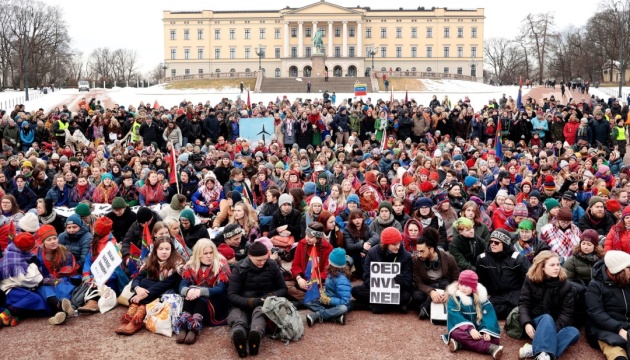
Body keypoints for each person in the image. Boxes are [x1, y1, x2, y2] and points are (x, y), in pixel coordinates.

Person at [227, 241, 288, 357]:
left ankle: (255, 335)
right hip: (243, 303)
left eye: (265, 259)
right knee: (238, 317)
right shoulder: (239, 268)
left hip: (264, 302)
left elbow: (283, 289)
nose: (262, 262)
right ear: (249, 256)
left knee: (260, 313)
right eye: (259, 260)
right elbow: (232, 295)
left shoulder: (272, 265)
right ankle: (238, 336)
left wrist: (269, 296)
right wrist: (251, 302)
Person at [115, 236, 184, 335]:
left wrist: (141, 296)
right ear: (155, 250)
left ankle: (137, 318)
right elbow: (137, 278)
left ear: (172, 250)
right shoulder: (152, 262)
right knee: (143, 282)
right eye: (161, 249)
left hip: (168, 292)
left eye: (167, 249)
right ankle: (132, 316)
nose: (164, 252)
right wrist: (137, 289)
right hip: (153, 293)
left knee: (147, 283)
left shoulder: (177, 264)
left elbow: (164, 284)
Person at [518, 251, 580, 360]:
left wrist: (551, 331)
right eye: (552, 265)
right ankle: (544, 354)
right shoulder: (530, 280)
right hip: (535, 321)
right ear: (542, 267)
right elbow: (524, 304)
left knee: (574, 332)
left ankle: (536, 350)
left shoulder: (566, 285)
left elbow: (566, 313)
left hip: (555, 323)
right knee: (546, 318)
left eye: (558, 264)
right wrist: (527, 323)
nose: (556, 268)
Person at [176, 239, 231, 344]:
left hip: (216, 301)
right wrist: (188, 292)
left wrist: (199, 291)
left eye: (211, 252)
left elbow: (221, 289)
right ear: (198, 254)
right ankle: (184, 325)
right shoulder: (190, 265)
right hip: (195, 298)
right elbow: (182, 285)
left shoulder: (221, 265)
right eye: (205, 253)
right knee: (189, 294)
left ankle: (194, 328)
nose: (209, 256)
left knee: (199, 296)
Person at [351, 227, 413, 314]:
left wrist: (401, 282)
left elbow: (408, 282)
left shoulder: (406, 256)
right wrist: (378, 288)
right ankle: (393, 306)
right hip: (376, 289)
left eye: (399, 243)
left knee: (406, 296)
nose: (398, 247)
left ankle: (368, 305)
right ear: (386, 244)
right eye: (394, 244)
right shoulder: (372, 252)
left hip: (396, 291)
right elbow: (366, 276)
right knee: (355, 291)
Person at [444, 270, 503, 359]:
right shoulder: (454, 298)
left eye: (467, 285)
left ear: (473, 287)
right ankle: (490, 348)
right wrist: (470, 329)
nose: (463, 288)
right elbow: (455, 316)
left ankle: (461, 344)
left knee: (495, 339)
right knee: (456, 333)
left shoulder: (481, 298)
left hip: (479, 329)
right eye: (461, 284)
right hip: (464, 330)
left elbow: (488, 316)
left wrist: (486, 331)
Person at [585, 250, 630, 359]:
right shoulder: (595, 285)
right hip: (605, 328)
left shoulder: (627, 279)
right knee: (615, 348)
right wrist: (620, 329)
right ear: (618, 270)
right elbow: (596, 313)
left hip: (627, 324)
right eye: (628, 267)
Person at [476, 229, 531, 319]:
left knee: (522, 309)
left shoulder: (518, 258)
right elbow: (480, 280)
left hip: (515, 292)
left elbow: (528, 280)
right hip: (496, 294)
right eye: (491, 242)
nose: (493, 244)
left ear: (505, 244)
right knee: (486, 310)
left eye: (497, 243)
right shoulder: (483, 258)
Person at [0, 232, 49, 327]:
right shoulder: (16, 260)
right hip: (10, 290)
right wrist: (34, 264)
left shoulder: (11, 251)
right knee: (36, 299)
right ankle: (6, 314)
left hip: (15, 288)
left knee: (44, 307)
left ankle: (15, 315)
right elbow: (30, 280)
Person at [35, 226, 79, 325]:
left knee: (63, 288)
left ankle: (60, 313)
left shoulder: (64, 252)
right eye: (49, 239)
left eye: (55, 238)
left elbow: (70, 269)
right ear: (43, 242)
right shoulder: (37, 255)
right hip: (45, 282)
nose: (53, 241)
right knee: (47, 291)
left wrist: (59, 278)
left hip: (62, 280)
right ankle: (63, 311)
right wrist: (47, 280)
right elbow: (36, 273)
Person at [412, 227, 459, 319]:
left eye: (422, 251)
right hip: (428, 287)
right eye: (418, 251)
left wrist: (448, 292)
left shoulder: (449, 258)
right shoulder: (416, 261)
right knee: (416, 297)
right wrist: (431, 292)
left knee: (455, 294)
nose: (419, 254)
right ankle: (431, 304)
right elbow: (418, 283)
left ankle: (425, 307)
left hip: (445, 287)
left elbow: (456, 279)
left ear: (431, 249)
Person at [288, 222, 333, 304]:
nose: (307, 239)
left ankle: (306, 301)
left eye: (311, 237)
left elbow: (327, 270)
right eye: (306, 235)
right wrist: (299, 279)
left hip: (318, 282)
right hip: (302, 280)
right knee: (286, 286)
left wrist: (315, 281)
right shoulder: (301, 244)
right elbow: (295, 264)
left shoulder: (328, 248)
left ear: (319, 238)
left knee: (330, 288)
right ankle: (311, 300)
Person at [305, 247, 352, 326]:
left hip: (336, 304)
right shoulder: (331, 272)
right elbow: (329, 288)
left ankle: (318, 315)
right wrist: (322, 292)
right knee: (308, 301)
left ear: (332, 263)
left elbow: (345, 301)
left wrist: (329, 300)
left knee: (343, 308)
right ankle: (334, 317)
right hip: (327, 300)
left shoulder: (342, 280)